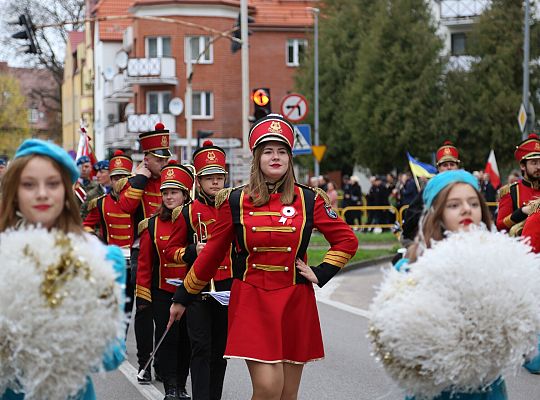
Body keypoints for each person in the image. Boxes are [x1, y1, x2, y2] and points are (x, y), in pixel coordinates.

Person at [168, 114, 358, 400]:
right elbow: (212, 255)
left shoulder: (310, 200)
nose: (275, 157)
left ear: (290, 158)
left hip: (295, 301)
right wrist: (183, 296)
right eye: (268, 151)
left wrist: (321, 272)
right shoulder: (234, 200)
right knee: (268, 388)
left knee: (286, 394)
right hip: (252, 299)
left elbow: (346, 240)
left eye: (282, 151)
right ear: (257, 157)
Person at [0, 139, 125, 400]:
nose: (42, 193)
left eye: (53, 183)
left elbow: (113, 355)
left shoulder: (102, 258)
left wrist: (61, 332)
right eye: (29, 184)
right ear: (15, 192)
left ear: (66, 191)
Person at [396, 170, 506, 400]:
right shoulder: (412, 268)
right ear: (436, 213)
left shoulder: (499, 259)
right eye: (454, 205)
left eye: (474, 203)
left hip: (485, 386)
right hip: (434, 387)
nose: (467, 209)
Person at [165, 141, 234, 400]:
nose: (215, 183)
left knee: (221, 353)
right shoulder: (186, 212)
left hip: (227, 289)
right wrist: (192, 252)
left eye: (219, 178)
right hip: (197, 291)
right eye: (209, 178)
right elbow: (171, 251)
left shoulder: (234, 206)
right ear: (198, 180)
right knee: (200, 350)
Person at [116, 122, 171, 383]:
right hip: (143, 254)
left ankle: (162, 362)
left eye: (166, 156)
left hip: (170, 252)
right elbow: (126, 206)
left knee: (166, 309)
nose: (165, 161)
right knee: (144, 309)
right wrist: (140, 178)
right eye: (159, 158)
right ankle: (144, 363)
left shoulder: (172, 179)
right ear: (147, 159)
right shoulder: (135, 181)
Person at [136, 161, 193, 400]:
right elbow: (145, 264)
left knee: (188, 341)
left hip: (191, 290)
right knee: (168, 338)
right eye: (166, 193)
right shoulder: (151, 224)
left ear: (185, 194)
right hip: (163, 291)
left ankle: (181, 384)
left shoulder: (194, 221)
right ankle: (170, 386)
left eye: (174, 192)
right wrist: (143, 297)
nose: (169, 197)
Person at [83, 150, 135, 324]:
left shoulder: (138, 201)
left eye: (123, 177)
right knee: (114, 308)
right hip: (113, 261)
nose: (119, 181)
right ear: (111, 180)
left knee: (135, 309)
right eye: (115, 177)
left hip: (137, 262)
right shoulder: (100, 202)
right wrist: (98, 242)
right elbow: (86, 226)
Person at [401, 141, 461, 247]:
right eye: (445, 165)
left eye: (452, 164)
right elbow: (412, 219)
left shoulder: (466, 188)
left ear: (457, 167)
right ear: (438, 169)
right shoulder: (429, 190)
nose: (449, 168)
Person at [496, 133, 540, 232]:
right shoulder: (511, 191)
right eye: (534, 163)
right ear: (522, 166)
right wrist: (522, 211)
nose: (539, 167)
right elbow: (499, 225)